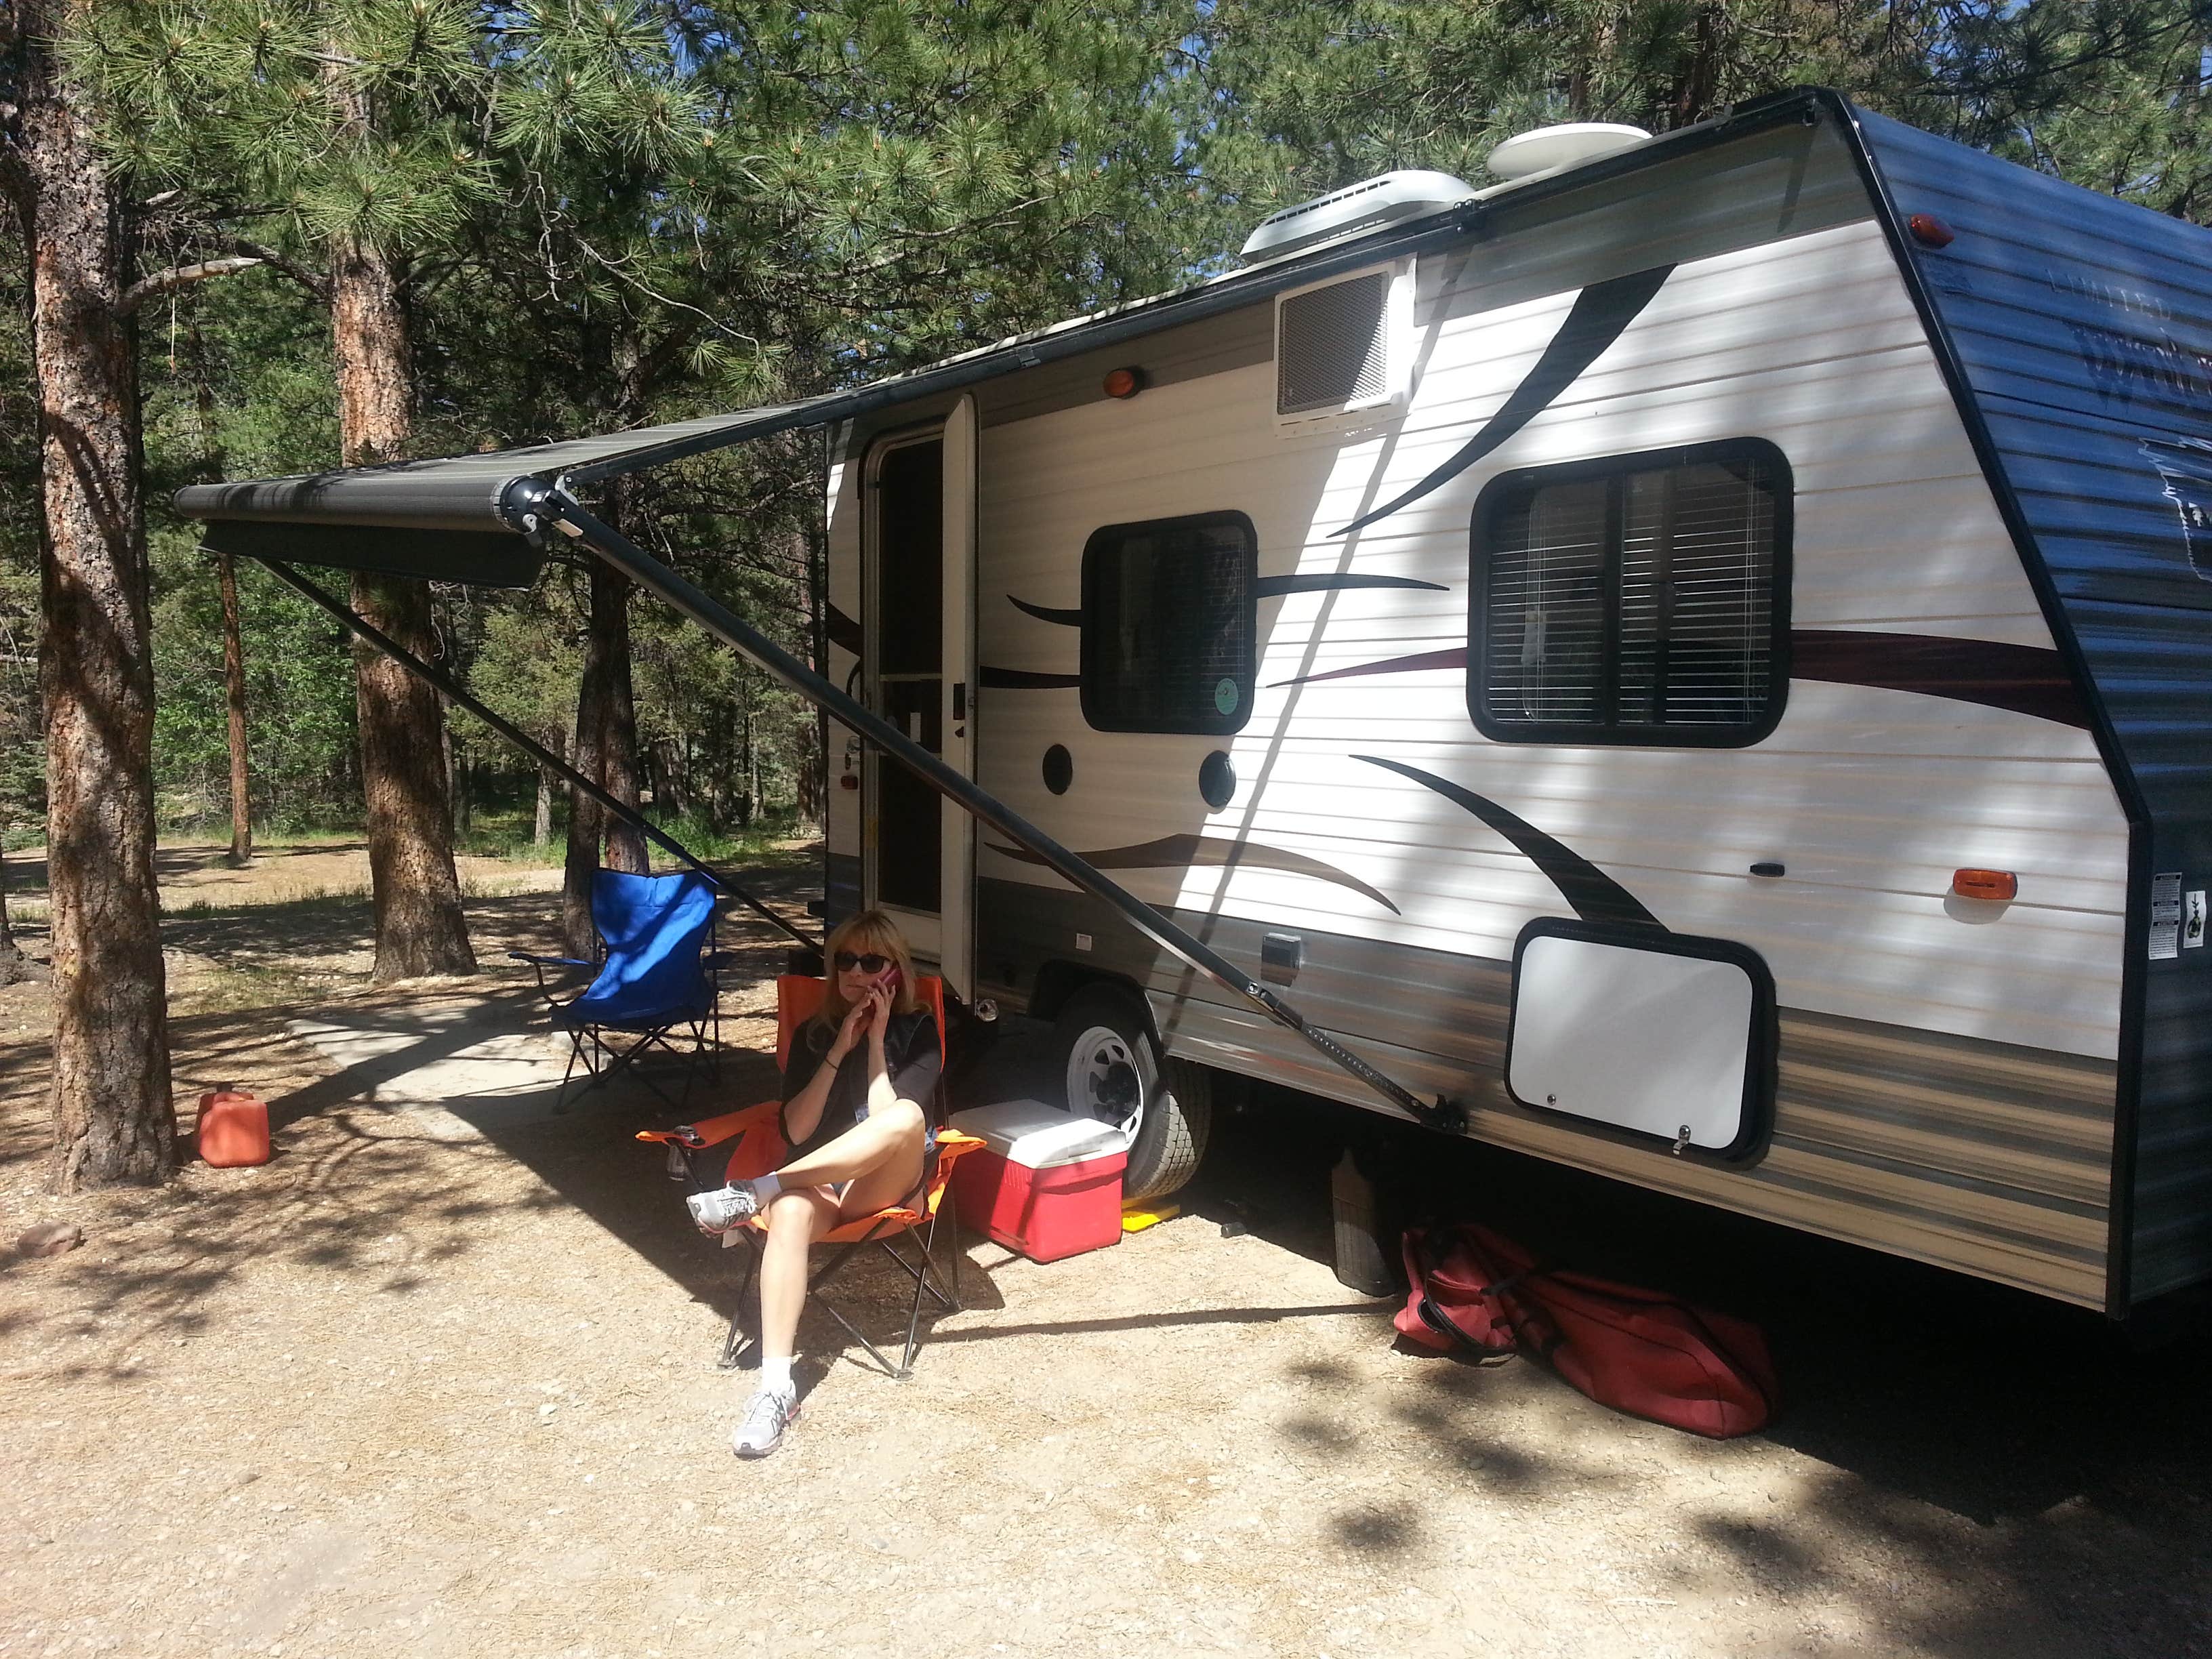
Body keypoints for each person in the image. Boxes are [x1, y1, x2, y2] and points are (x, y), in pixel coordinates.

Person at [686, 909, 941, 1457]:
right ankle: (775, 1389)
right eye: (845, 960)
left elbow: (887, 1124)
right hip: (820, 1189)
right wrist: (838, 1048)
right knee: (794, 1213)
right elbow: (797, 1127)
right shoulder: (813, 1034)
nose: (855, 971)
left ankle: (756, 1190)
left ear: (895, 970)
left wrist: (876, 1043)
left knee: (905, 1119)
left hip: (883, 1184)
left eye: (871, 961)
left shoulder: (918, 1030)